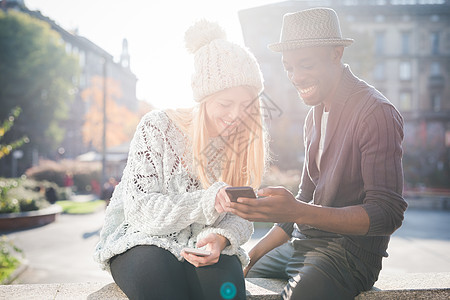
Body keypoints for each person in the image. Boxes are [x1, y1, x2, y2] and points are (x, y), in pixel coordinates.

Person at [226, 7, 407, 300]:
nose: (296, 77)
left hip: (349, 256)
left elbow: (387, 214)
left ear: (336, 53)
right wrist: (251, 255)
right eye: (289, 67)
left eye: (306, 65)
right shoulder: (313, 116)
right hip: (302, 245)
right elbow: (305, 197)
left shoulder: (376, 113)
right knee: (232, 280)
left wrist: (297, 211)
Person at [93, 20, 268, 300]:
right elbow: (141, 209)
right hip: (143, 239)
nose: (236, 115)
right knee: (161, 284)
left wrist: (220, 238)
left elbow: (242, 217)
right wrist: (207, 202)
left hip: (203, 242)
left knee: (226, 291)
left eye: (245, 106)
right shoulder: (157, 127)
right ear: (204, 98)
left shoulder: (243, 142)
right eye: (226, 104)